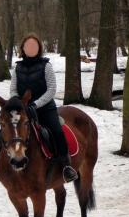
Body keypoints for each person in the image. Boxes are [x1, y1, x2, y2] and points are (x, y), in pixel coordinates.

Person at [9, 32, 78, 182]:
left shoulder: (46, 66)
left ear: (39, 48)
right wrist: (17, 103)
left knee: (57, 131)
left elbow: (52, 89)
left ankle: (66, 166)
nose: (31, 48)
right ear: (22, 48)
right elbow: (13, 89)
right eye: (28, 45)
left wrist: (36, 104)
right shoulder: (17, 68)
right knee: (9, 131)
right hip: (23, 110)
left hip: (45, 108)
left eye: (34, 45)